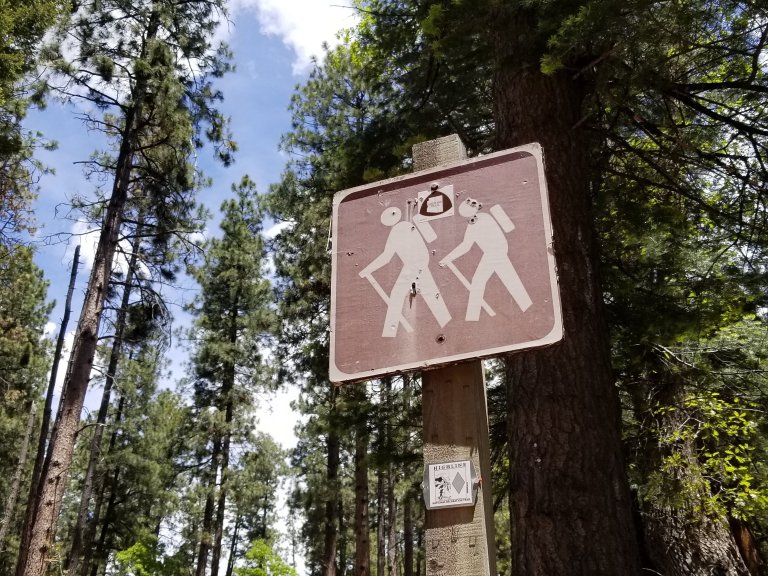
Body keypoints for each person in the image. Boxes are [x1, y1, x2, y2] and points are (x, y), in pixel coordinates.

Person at [359, 206, 451, 337]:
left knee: (397, 294)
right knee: (431, 293)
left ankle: (389, 332)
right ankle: (447, 321)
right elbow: (430, 238)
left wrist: (367, 270)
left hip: (413, 265)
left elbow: (386, 257)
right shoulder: (408, 225)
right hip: (420, 263)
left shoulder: (397, 231)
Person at [440, 198, 532, 321]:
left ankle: (472, 317)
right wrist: (448, 258)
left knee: (479, 281)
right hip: (495, 251)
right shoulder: (482, 218)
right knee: (507, 278)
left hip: (494, 252)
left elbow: (466, 246)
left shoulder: (478, 221)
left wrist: (448, 258)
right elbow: (466, 245)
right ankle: (527, 306)